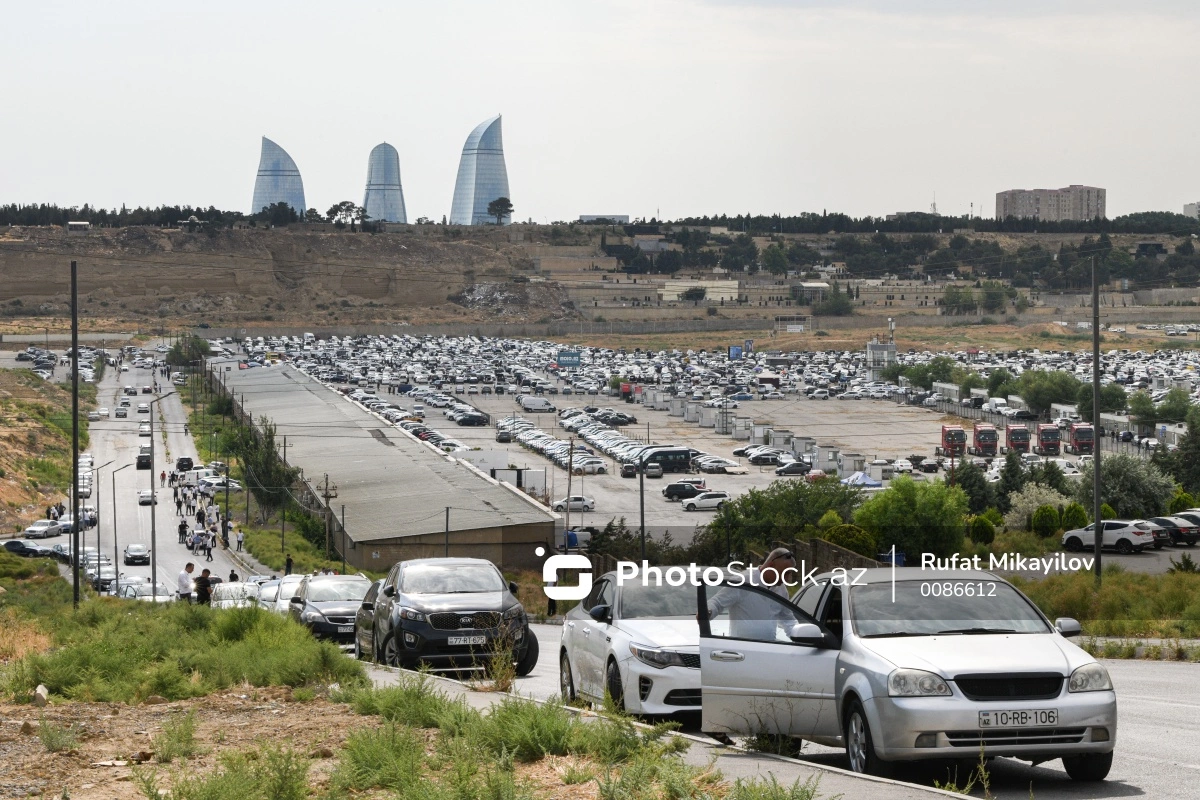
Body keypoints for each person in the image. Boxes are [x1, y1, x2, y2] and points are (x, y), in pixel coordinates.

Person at [704, 548, 799, 640]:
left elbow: (788, 620)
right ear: (770, 566)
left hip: (769, 648)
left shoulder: (781, 590)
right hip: (741, 649)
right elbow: (717, 602)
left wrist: (801, 635)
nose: (787, 579)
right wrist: (707, 612)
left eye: (789, 573)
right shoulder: (743, 581)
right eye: (785, 573)